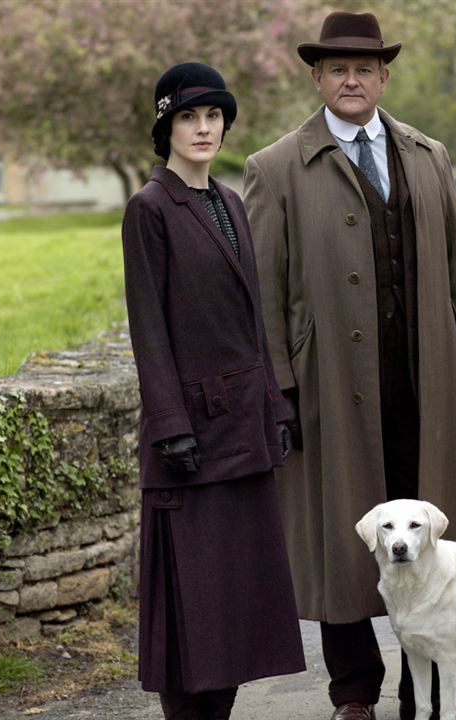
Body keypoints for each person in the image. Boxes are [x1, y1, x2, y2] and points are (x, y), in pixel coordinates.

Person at [243, 11, 456, 720]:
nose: (350, 79)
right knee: (341, 540)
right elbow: (263, 289)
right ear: (317, 78)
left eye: (363, 68)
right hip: (328, 386)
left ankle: (433, 692)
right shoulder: (274, 168)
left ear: (383, 77)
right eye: (335, 69)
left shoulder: (428, 156)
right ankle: (352, 694)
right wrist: (280, 388)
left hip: (424, 380)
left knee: (430, 544)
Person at [121, 61, 305, 720]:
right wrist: (170, 425)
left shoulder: (228, 203)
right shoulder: (149, 209)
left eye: (212, 116)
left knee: (235, 610)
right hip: (191, 442)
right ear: (165, 128)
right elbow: (148, 327)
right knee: (192, 613)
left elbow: (252, 317)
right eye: (188, 118)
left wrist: (276, 405)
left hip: (244, 432)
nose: (202, 128)